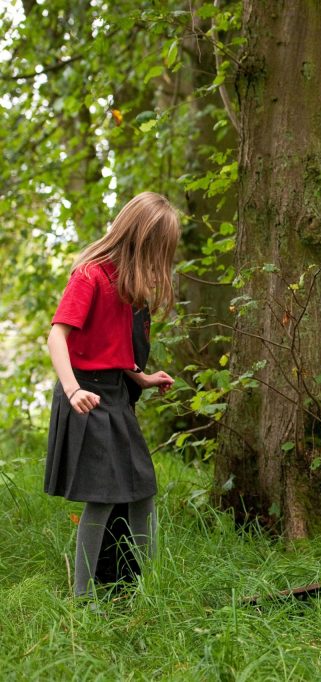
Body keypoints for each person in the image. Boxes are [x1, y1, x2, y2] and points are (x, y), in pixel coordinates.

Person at [45, 192, 179, 597]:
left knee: (142, 490)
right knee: (102, 498)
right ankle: (83, 599)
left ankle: (150, 588)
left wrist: (141, 377)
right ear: (142, 241)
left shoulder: (126, 287)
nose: (162, 263)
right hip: (87, 396)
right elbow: (57, 336)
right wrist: (72, 390)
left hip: (116, 394)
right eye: (160, 251)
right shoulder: (90, 276)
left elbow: (112, 345)